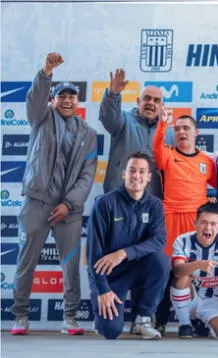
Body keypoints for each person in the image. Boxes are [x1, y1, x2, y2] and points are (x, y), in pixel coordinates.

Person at [10, 53, 98, 336]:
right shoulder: (41, 119)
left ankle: (70, 318)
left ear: (78, 102)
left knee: (71, 264)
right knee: (26, 261)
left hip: (68, 211)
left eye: (73, 96)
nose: (68, 100)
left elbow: (88, 174)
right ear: (53, 99)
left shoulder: (89, 134)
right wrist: (46, 72)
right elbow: (35, 99)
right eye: (62, 96)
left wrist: (69, 204)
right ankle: (21, 316)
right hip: (37, 202)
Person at [86, 152, 169, 340]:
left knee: (161, 261)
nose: (136, 176)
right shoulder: (104, 203)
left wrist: (124, 253)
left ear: (148, 177)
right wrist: (103, 289)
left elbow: (158, 240)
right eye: (132, 171)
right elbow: (93, 253)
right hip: (111, 275)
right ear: (124, 174)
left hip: (139, 269)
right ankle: (101, 320)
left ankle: (143, 320)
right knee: (110, 331)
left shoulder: (155, 205)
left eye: (141, 172)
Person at [152, 113, 217, 333]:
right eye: (177, 129)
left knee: (196, 273)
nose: (181, 132)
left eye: (186, 128)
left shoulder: (207, 162)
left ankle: (197, 320)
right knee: (168, 271)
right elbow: (156, 150)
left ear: (195, 132)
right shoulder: (168, 155)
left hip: (196, 223)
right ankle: (159, 320)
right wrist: (162, 125)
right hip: (170, 220)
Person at [99, 68, 174, 197]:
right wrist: (112, 95)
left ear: (162, 107)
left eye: (156, 101)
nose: (151, 103)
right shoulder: (124, 120)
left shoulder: (170, 134)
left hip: (152, 201)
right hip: (119, 197)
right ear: (138, 101)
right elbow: (109, 117)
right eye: (147, 98)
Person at [170, 203, 218, 339]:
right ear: (195, 223)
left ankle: (201, 323)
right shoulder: (182, 240)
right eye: (203, 223)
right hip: (190, 295)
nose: (208, 227)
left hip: (212, 299)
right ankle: (185, 324)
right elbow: (177, 271)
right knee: (183, 278)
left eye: (213, 223)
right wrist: (197, 265)